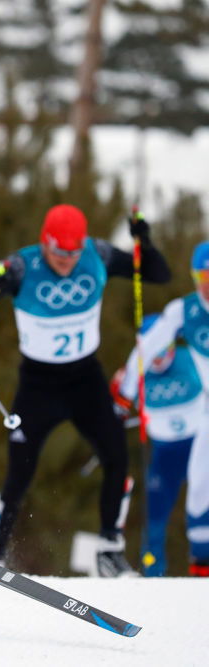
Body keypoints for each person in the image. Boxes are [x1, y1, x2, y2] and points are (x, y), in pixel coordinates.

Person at [0, 204, 169, 576]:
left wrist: (144, 241)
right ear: (45, 242)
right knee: (19, 475)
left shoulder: (98, 255)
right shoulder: (24, 265)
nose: (66, 261)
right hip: (38, 386)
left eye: (72, 253)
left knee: (116, 459)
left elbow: (157, 273)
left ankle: (110, 551)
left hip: (85, 382)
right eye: (59, 252)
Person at [122, 243, 209, 576]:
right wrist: (124, 395)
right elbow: (141, 356)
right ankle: (153, 572)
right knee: (157, 517)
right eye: (203, 275)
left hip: (196, 435)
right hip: (165, 452)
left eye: (165, 352)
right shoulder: (181, 314)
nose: (160, 360)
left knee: (201, 498)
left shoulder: (186, 361)